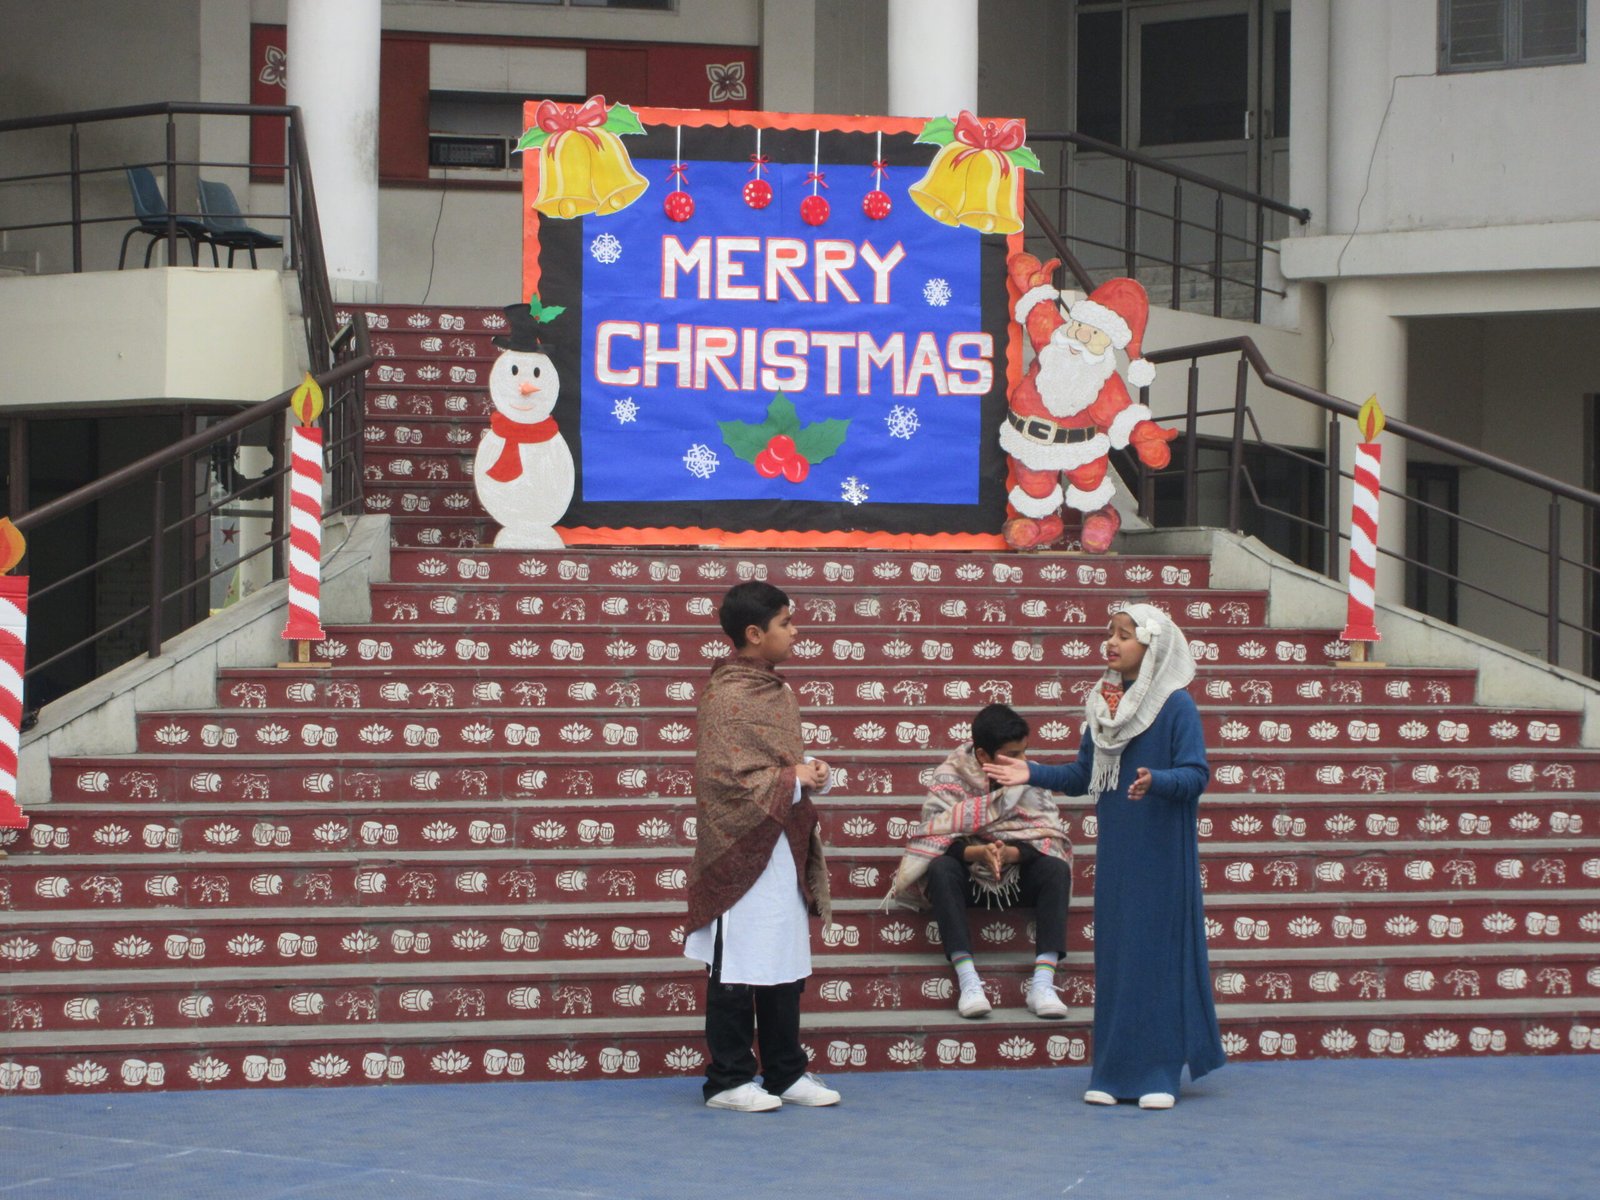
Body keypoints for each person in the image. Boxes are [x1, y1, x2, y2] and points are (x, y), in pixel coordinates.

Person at [985, 603, 1224, 1110]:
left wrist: (1157, 781)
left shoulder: (1176, 705)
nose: (1111, 642)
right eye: (1109, 633)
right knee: (1117, 958)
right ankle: (1113, 1073)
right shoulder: (1103, 704)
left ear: (1151, 646)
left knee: (1154, 959)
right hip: (1118, 856)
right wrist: (1032, 773)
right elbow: (1082, 775)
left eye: (1124, 634)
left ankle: (1158, 1073)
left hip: (1162, 854)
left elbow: (1197, 775)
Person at [683, 580, 841, 1113]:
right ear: (754, 633)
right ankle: (728, 1079)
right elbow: (723, 778)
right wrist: (794, 776)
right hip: (739, 849)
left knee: (781, 959)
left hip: (782, 847)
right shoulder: (727, 695)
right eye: (786, 623)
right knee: (735, 966)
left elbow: (775, 762)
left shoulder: (777, 691)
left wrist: (807, 771)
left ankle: (784, 1071)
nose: (795, 632)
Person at [887, 703, 1073, 1021]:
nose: (1022, 761)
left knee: (1056, 867)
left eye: (1024, 751)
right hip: (970, 880)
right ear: (984, 755)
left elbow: (1049, 835)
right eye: (1012, 754)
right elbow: (933, 836)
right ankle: (969, 981)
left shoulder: (1030, 774)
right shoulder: (951, 775)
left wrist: (1012, 854)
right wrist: (978, 853)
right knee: (940, 868)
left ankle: (1042, 983)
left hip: (1016, 877)